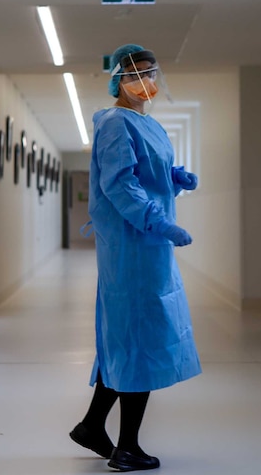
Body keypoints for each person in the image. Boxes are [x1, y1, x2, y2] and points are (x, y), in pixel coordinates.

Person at [70, 44, 201, 471]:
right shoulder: (113, 123)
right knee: (137, 339)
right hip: (132, 246)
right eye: (135, 75)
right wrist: (157, 221)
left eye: (150, 73)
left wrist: (173, 177)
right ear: (117, 81)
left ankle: (92, 425)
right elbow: (120, 186)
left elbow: (149, 175)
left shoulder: (150, 124)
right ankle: (127, 447)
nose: (145, 82)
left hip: (149, 247)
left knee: (127, 340)